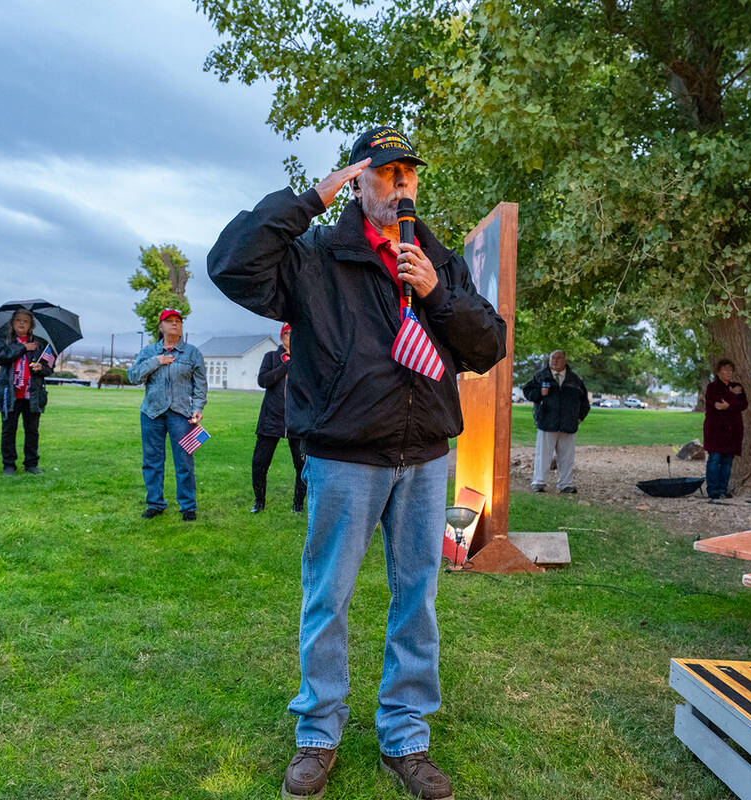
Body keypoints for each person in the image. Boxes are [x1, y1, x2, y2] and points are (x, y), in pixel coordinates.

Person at [208, 124, 506, 800]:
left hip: (427, 455)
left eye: (408, 174)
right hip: (345, 457)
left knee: (417, 600)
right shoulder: (315, 254)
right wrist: (309, 199)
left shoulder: (436, 259)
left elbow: (488, 345)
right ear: (359, 179)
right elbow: (230, 263)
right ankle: (318, 733)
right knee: (329, 598)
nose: (400, 184)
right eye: (386, 172)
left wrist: (437, 293)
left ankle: (405, 736)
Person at [127, 308, 208, 521]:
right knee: (152, 460)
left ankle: (188, 506)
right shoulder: (148, 352)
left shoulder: (192, 353)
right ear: (160, 326)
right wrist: (157, 361)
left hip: (181, 414)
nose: (175, 324)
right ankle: (155, 503)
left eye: (178, 321)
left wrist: (198, 408)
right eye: (169, 321)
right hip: (152, 413)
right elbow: (133, 376)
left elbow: (200, 385)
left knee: (184, 462)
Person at [250, 322, 305, 514]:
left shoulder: (304, 359)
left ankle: (298, 504)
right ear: (282, 336)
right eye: (288, 333)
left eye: (294, 333)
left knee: (301, 464)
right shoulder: (271, 357)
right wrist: (285, 366)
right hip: (271, 419)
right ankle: (259, 501)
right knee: (259, 462)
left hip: (296, 420)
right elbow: (263, 381)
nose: (291, 336)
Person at [0, 309, 53, 475]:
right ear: (12, 322)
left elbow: (49, 368)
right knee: (8, 431)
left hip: (32, 395)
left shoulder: (40, 343)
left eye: (25, 321)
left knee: (32, 431)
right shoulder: (2, 340)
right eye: (18, 320)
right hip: (9, 394)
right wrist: (22, 347)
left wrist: (42, 368)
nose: (21, 323)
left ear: (31, 324)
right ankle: (9, 465)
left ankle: (31, 464)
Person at [522, 350, 590, 494]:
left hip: (568, 424)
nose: (555, 360)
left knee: (567, 457)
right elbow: (528, 393)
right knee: (543, 455)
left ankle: (566, 484)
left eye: (559, 358)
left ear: (565, 360)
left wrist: (579, 418)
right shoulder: (540, 376)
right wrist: (540, 393)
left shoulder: (575, 380)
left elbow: (585, 402)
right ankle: (539, 482)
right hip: (547, 422)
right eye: (553, 357)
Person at [702, 358, 748, 501]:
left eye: (730, 370)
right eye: (725, 369)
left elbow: (743, 404)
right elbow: (717, 405)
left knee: (728, 461)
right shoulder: (712, 387)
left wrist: (728, 405)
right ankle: (713, 490)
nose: (728, 372)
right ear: (718, 372)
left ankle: (723, 489)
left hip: (733, 430)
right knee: (715, 459)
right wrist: (732, 395)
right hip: (716, 430)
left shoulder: (737, 386)